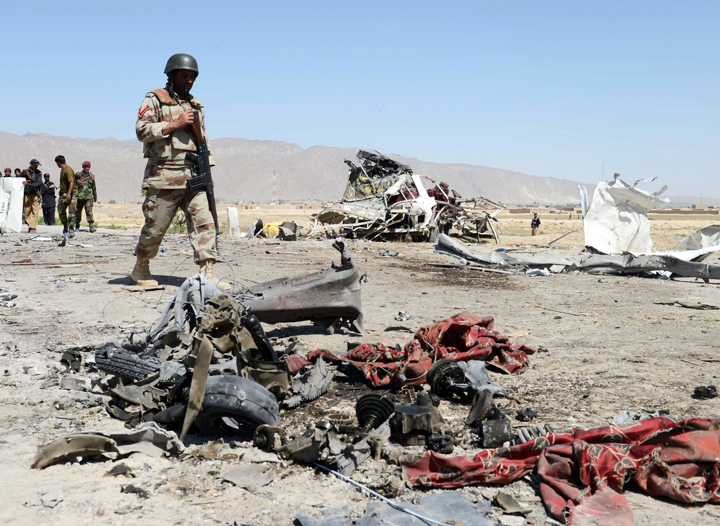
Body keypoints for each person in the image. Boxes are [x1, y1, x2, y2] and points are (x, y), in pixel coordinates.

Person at [132, 53, 228, 289]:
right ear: (171, 75)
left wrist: (208, 173)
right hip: (165, 176)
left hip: (194, 176)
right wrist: (175, 124)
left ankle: (207, 273)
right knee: (155, 227)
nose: (189, 80)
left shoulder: (196, 106)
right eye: (184, 75)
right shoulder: (155, 99)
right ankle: (141, 268)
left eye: (192, 76)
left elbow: (203, 142)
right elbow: (141, 131)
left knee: (205, 223)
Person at [55, 155, 77, 237]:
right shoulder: (63, 170)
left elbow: (71, 182)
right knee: (60, 210)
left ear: (58, 163)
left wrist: (69, 194)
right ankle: (65, 225)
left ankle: (71, 228)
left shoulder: (68, 170)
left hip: (71, 193)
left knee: (72, 211)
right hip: (63, 193)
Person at [75, 161, 97, 232]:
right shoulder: (78, 175)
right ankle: (77, 226)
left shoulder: (91, 177)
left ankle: (91, 226)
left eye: (88, 167)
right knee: (78, 212)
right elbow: (72, 181)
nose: (87, 168)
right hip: (79, 197)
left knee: (89, 212)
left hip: (89, 198)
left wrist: (95, 196)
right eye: (85, 167)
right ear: (83, 167)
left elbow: (94, 187)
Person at [21, 159, 43, 233]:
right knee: (27, 210)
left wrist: (29, 184)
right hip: (27, 193)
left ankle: (33, 227)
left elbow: (39, 183)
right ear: (31, 164)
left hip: (35, 193)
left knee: (35, 210)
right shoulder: (25, 172)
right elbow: (20, 180)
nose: (36, 166)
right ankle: (30, 224)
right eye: (35, 165)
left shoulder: (39, 173)